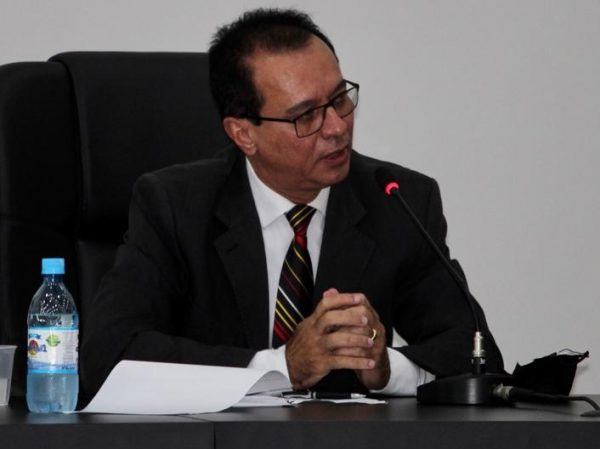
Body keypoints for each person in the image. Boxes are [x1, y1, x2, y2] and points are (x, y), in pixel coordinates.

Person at [81, 8, 503, 397]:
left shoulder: (396, 200)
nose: (337, 127)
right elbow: (108, 355)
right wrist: (281, 367)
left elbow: (477, 355)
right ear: (244, 134)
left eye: (339, 99)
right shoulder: (175, 206)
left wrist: (385, 367)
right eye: (306, 116)